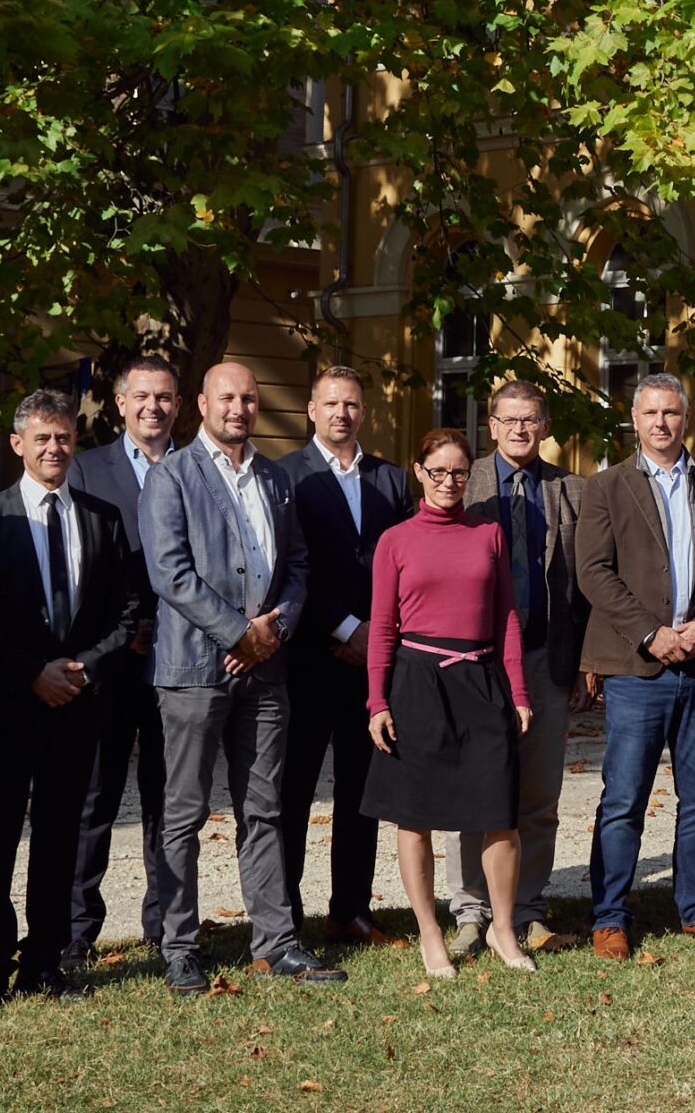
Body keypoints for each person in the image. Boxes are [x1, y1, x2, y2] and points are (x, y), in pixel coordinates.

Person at [140, 361, 343, 993]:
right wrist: (238, 633)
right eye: (226, 397)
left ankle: (276, 944)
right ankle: (179, 946)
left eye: (249, 398)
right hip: (194, 671)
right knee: (183, 814)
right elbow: (170, 573)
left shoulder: (275, 478)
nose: (239, 408)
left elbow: (298, 564)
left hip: (267, 670)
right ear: (201, 404)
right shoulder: (171, 475)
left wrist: (274, 629)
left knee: (264, 809)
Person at [0, 391, 139, 1007]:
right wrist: (32, 673)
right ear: (18, 445)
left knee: (62, 834)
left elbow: (125, 611)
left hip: (77, 707)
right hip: (6, 709)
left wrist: (85, 669)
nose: (54, 448)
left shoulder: (102, 517)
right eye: (42, 438)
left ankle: (44, 964)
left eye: (63, 437)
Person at [576, 372, 695, 958]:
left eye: (671, 412)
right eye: (651, 413)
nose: (661, 422)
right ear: (634, 419)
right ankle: (609, 917)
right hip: (637, 668)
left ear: (686, 419)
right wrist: (651, 634)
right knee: (623, 800)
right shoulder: (606, 487)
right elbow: (594, 572)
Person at [361, 429, 537, 976]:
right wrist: (376, 701)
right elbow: (382, 627)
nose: (448, 481)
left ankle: (503, 929)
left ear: (469, 475)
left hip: (481, 681)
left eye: (458, 472)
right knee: (414, 817)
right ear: (419, 472)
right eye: (437, 471)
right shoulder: (395, 540)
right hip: (418, 684)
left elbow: (507, 617)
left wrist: (518, 690)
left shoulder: (489, 533)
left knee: (498, 813)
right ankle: (430, 933)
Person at [443, 379, 594, 960]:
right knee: (473, 791)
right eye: (508, 419)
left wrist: (585, 662)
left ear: (545, 426)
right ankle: (471, 911)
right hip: (475, 662)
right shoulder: (464, 481)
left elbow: (586, 586)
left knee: (538, 796)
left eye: (530, 419)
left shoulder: (572, 490)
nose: (519, 429)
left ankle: (528, 908)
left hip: (545, 659)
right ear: (492, 426)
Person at [276, 366, 413, 949]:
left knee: (362, 793)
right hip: (308, 658)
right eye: (331, 404)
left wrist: (377, 634)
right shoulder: (285, 476)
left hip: (372, 666)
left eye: (352, 404)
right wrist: (344, 626)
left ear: (364, 411)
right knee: (293, 794)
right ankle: (283, 919)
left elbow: (406, 564)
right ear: (311, 410)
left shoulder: (392, 479)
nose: (342, 413)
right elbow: (286, 567)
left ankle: (351, 912)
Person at [63, 354, 177, 969]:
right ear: (120, 403)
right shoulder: (84, 469)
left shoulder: (198, 468)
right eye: (142, 396)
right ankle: (77, 930)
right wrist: (121, 632)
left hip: (180, 661)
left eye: (164, 397)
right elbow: (78, 564)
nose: (152, 407)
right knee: (94, 798)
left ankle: (166, 927)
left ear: (178, 405)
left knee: (169, 800)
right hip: (109, 664)